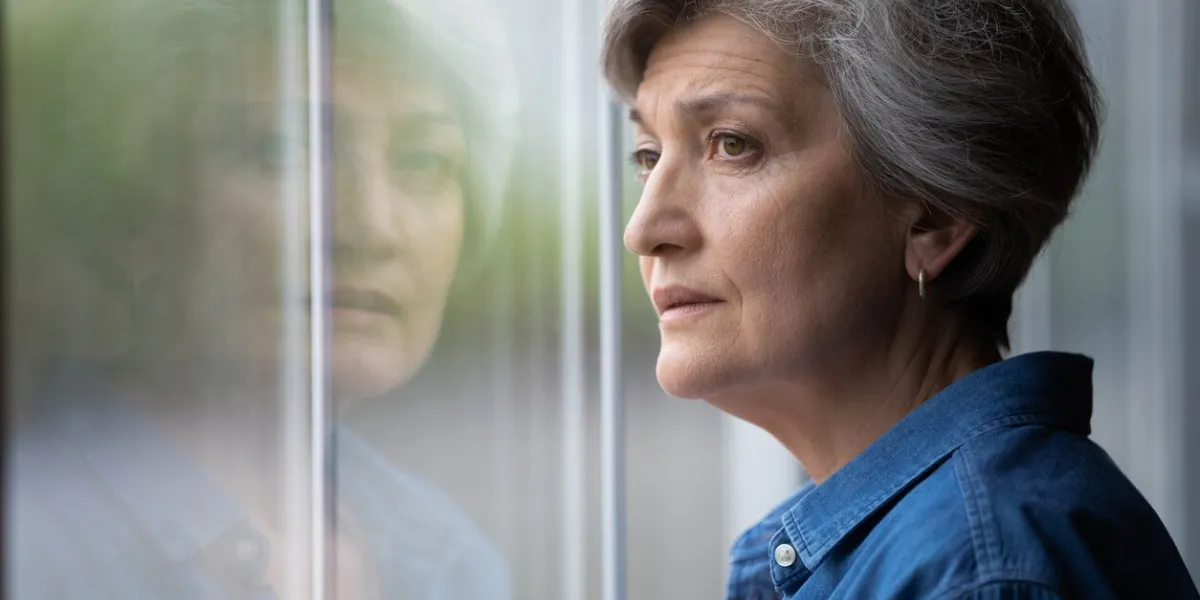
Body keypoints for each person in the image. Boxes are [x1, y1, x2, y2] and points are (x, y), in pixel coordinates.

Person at [602, 1, 1199, 598]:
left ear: (935, 216)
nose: (643, 229)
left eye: (731, 144)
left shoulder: (977, 574)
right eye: (649, 157)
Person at [7, 0, 516, 598]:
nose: (374, 228)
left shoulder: (450, 559)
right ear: (131, 211)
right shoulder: (31, 543)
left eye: (425, 161)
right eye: (283, 150)